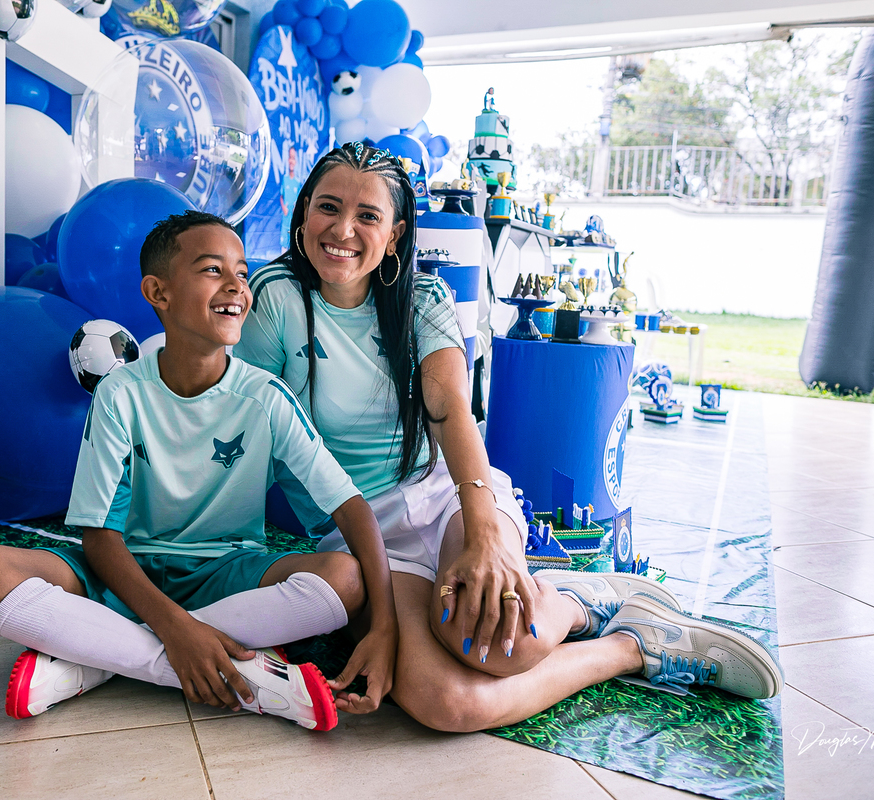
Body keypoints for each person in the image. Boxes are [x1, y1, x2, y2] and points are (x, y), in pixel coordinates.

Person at [234, 142, 783, 732]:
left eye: (367, 215)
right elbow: (251, 429)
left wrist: (485, 535)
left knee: (507, 646)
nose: (342, 229)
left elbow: (450, 412)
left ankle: (576, 602)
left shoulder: (424, 298)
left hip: (445, 495)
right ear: (304, 214)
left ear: (394, 235)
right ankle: (633, 645)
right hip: (355, 532)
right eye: (328, 207)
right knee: (452, 703)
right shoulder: (274, 298)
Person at [0, 211, 398, 731]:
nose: (236, 286)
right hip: (124, 571)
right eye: (212, 269)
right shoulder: (120, 393)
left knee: (345, 579)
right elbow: (100, 538)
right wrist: (176, 629)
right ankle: (243, 675)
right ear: (158, 292)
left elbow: (350, 507)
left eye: (242, 272)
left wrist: (384, 626)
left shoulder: (265, 397)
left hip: (228, 573)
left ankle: (96, 660)